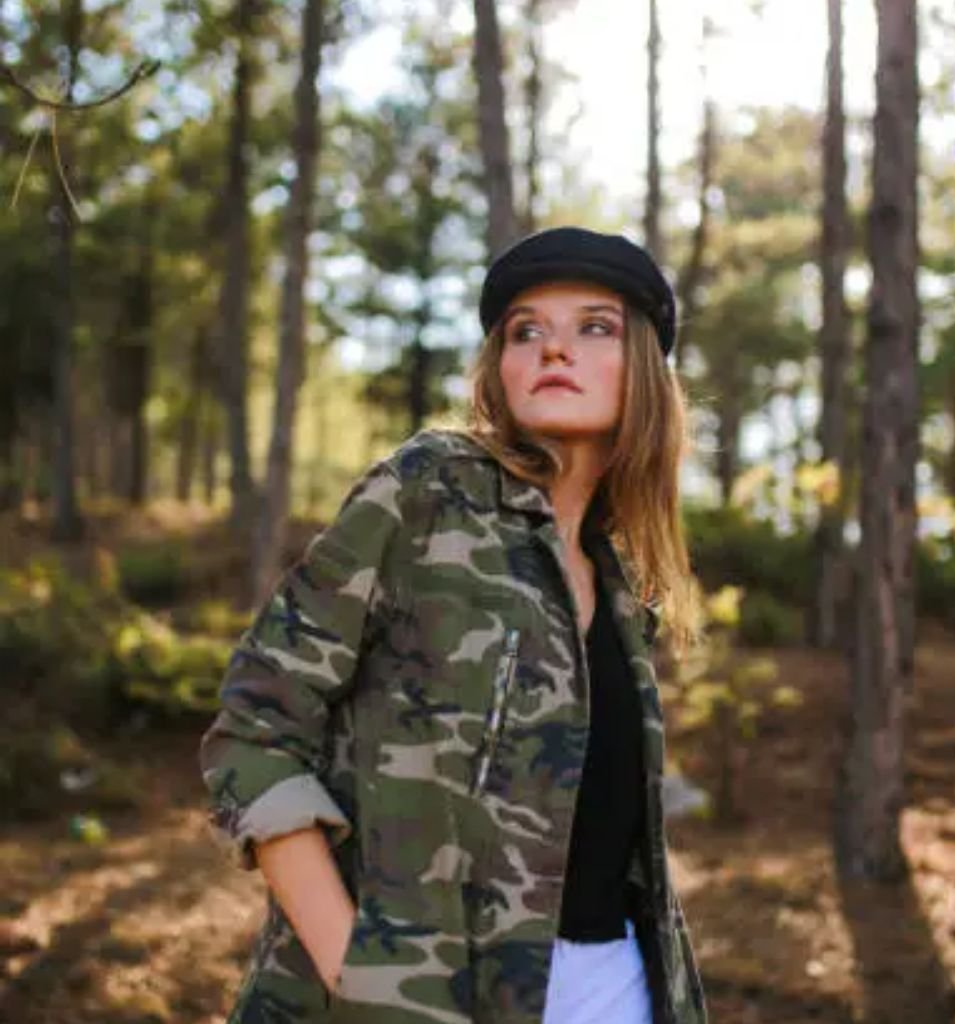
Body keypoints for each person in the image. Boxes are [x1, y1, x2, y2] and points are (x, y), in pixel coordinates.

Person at [200, 226, 707, 1024]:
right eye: (525, 330)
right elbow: (254, 731)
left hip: (616, 987)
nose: (554, 350)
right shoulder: (429, 492)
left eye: (594, 327)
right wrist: (358, 975)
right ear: (498, 367)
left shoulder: (620, 582)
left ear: (643, 365)